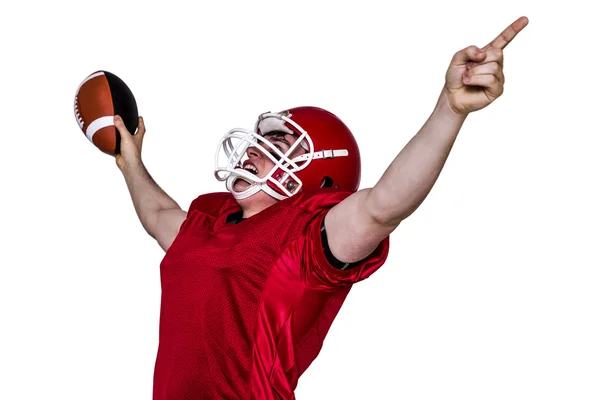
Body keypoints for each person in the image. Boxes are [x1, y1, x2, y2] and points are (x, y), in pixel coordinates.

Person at [111, 16, 528, 400]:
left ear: (322, 176)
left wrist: (449, 110)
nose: (253, 152)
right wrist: (130, 162)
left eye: (276, 145)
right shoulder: (211, 221)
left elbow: (383, 206)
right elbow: (159, 216)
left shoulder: (305, 240)